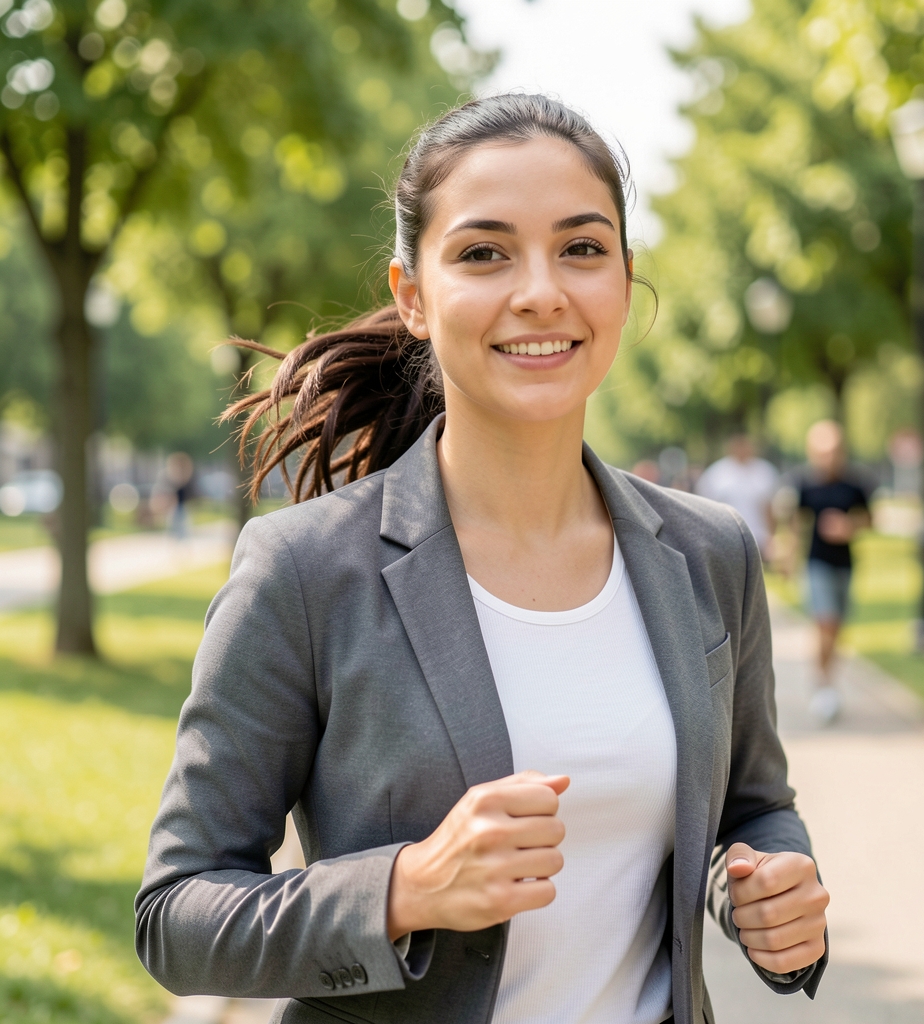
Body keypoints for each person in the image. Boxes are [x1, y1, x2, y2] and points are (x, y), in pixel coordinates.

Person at [135, 95, 828, 1024]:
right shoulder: (302, 570)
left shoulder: (711, 553)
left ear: (625, 282)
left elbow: (752, 810)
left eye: (582, 248)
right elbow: (176, 915)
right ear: (412, 296)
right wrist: (406, 889)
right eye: (483, 253)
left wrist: (772, 890)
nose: (541, 291)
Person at [795, 420, 872, 724]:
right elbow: (797, 523)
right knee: (825, 622)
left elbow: (870, 519)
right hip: (817, 563)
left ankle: (827, 678)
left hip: (845, 564)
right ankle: (823, 684)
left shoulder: (854, 485)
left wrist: (849, 526)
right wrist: (789, 558)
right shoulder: (806, 484)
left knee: (837, 628)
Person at [696, 434, 780, 559]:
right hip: (725, 539)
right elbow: (705, 509)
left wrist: (771, 537)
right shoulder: (715, 474)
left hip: (759, 539)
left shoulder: (764, 471)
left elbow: (770, 508)